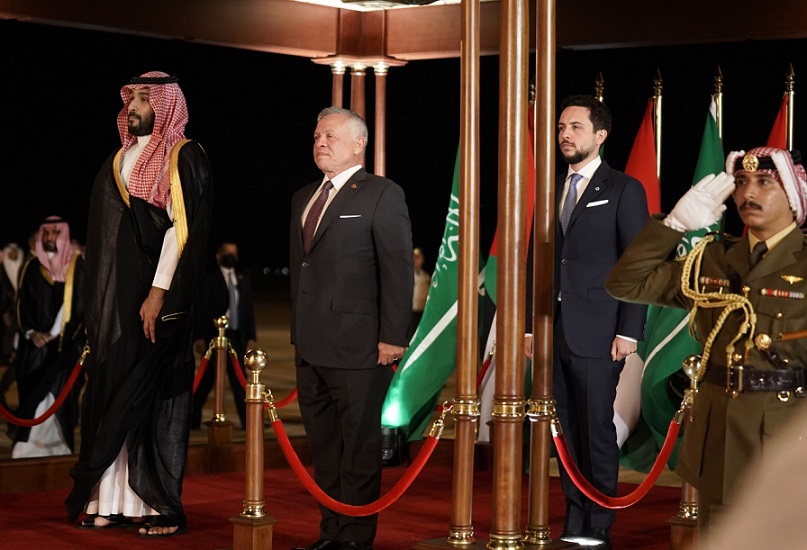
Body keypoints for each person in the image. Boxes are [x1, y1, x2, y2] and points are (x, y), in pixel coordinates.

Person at [606, 146, 807, 538]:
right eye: (741, 182)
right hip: (718, 439)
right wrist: (674, 225)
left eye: (765, 182)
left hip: (783, 440)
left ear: (794, 196)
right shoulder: (713, 259)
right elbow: (625, 283)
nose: (748, 193)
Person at [65, 71, 212, 538]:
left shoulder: (182, 154)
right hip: (117, 306)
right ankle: (107, 502)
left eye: (147, 99)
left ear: (166, 105)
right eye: (132, 97)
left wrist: (158, 293)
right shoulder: (120, 158)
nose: (135, 106)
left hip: (154, 304)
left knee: (147, 401)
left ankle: (155, 504)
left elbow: (181, 231)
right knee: (112, 396)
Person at [289, 106, 413, 550]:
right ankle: (330, 533)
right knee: (324, 450)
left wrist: (393, 337)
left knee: (358, 451)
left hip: (360, 348)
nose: (320, 142)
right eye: (316, 136)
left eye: (330, 136)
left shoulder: (381, 194)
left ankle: (355, 539)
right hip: (310, 347)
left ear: (359, 144)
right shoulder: (303, 197)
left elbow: (397, 268)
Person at [530, 95, 648, 549]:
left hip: (601, 332)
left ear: (600, 135)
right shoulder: (551, 189)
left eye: (575, 127)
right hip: (555, 330)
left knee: (596, 427)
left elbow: (636, 264)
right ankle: (575, 517)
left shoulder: (623, 188)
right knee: (566, 430)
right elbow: (539, 260)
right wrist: (531, 326)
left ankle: (599, 521)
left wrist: (629, 330)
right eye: (562, 127)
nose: (565, 134)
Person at [10, 217, 85, 458]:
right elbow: (21, 306)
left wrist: (56, 335)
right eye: (47, 233)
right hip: (35, 349)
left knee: (61, 402)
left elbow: (81, 308)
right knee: (33, 400)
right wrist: (32, 333)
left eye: (55, 232)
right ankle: (26, 452)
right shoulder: (31, 266)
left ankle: (59, 450)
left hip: (65, 349)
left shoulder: (76, 266)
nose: (51, 237)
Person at [192, 241, 257, 429]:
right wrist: (199, 337)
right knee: (206, 381)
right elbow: (201, 309)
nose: (231, 257)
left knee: (239, 380)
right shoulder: (208, 279)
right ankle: (192, 419)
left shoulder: (242, 278)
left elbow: (247, 311)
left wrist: (251, 337)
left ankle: (248, 422)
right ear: (218, 256)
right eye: (227, 253)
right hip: (214, 336)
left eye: (234, 253)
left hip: (236, 336)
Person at [411, 247, 431, 330]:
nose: (416, 260)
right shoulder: (407, 275)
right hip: (411, 312)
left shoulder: (426, 276)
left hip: (422, 312)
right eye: (414, 257)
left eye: (418, 258)